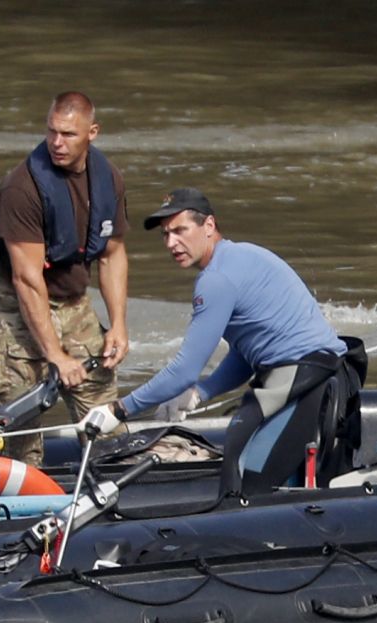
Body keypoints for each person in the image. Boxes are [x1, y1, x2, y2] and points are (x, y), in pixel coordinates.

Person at [82, 188, 361, 495]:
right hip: (314, 371)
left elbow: (183, 369)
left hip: (306, 377)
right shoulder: (240, 256)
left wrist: (118, 410)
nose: (171, 243)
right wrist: (200, 392)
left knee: (240, 478)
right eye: (165, 235)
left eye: (180, 231)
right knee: (240, 448)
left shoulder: (215, 279)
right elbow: (248, 353)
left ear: (209, 226)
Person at [0, 90, 131, 465]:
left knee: (105, 419)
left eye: (68, 134)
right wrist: (56, 357)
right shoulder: (22, 188)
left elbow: (112, 255)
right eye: (52, 132)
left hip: (75, 302)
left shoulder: (107, 177)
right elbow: (27, 279)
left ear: (92, 132)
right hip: (20, 306)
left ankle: (112, 488)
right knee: (21, 432)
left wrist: (118, 325)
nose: (57, 143)